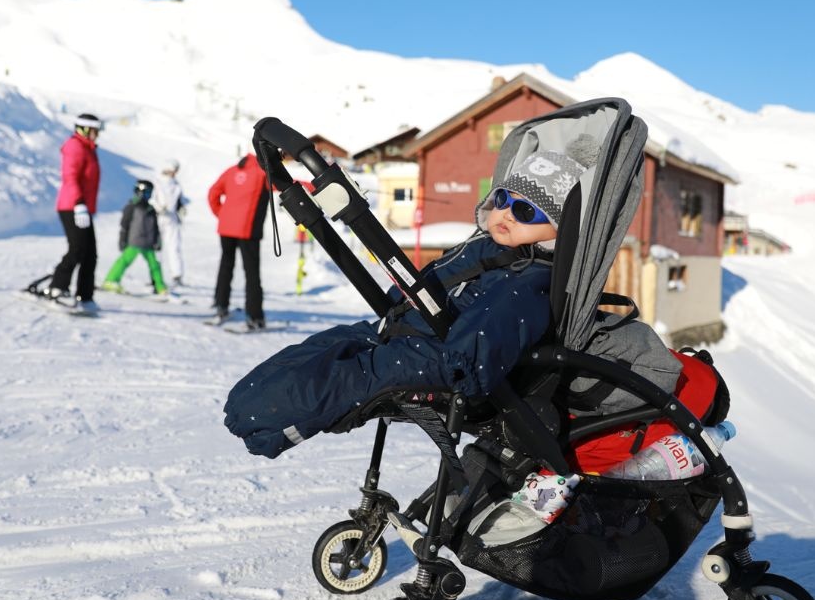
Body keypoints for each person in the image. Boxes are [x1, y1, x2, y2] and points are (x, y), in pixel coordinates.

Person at [224, 140, 597, 458]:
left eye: (525, 211)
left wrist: (455, 361)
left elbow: (486, 337)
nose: (505, 215)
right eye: (502, 199)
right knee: (328, 346)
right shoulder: (482, 246)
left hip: (439, 359)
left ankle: (268, 428)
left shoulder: (530, 279)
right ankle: (248, 403)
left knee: (348, 379)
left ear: (558, 228)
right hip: (406, 330)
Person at [44, 113, 103, 312]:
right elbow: (70, 176)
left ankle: (85, 296)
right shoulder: (75, 147)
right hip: (72, 206)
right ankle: (57, 288)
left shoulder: (88, 148)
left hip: (83, 207)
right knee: (77, 249)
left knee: (90, 254)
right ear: (85, 129)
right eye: (95, 131)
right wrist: (79, 203)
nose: (97, 135)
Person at [207, 153, 272, 329]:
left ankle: (221, 306)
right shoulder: (262, 173)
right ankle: (255, 317)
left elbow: (213, 193)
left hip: (226, 228)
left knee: (225, 266)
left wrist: (221, 215)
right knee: (251, 273)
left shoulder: (232, 170)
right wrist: (314, 186)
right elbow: (286, 184)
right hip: (247, 230)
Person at [101, 180, 167, 296]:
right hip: (134, 241)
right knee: (124, 261)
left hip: (148, 243)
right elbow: (124, 225)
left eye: (149, 193)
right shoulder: (132, 206)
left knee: (154, 265)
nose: (146, 196)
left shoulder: (151, 209)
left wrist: (158, 241)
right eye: (145, 193)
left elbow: (156, 228)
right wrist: (123, 239)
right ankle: (111, 280)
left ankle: (160, 286)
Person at [152, 160, 190, 290]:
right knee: (157, 247)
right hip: (158, 218)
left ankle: (177, 275)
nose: (174, 173)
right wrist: (158, 208)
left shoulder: (176, 185)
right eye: (173, 170)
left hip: (172, 220)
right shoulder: (157, 183)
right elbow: (152, 199)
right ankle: (155, 276)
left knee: (174, 247)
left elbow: (180, 200)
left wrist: (182, 208)